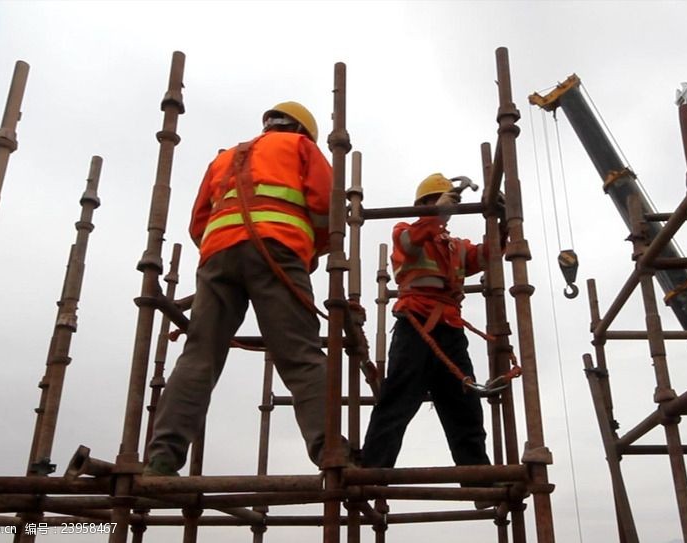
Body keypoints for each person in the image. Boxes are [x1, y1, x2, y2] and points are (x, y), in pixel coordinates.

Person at [145, 101, 333, 475]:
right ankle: (330, 451)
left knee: (199, 355)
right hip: (278, 250)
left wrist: (225, 246)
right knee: (299, 354)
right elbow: (328, 208)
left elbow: (199, 222)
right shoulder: (301, 148)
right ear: (303, 131)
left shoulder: (225, 158)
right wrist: (309, 250)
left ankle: (161, 456)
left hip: (218, 254)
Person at [361, 173, 497, 473]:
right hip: (416, 326)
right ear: (423, 205)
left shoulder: (455, 246)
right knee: (397, 401)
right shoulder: (406, 231)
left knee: (465, 406)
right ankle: (372, 471)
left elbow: (486, 256)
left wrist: (498, 222)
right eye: (439, 201)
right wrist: (435, 215)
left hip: (449, 329)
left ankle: (478, 478)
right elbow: (410, 242)